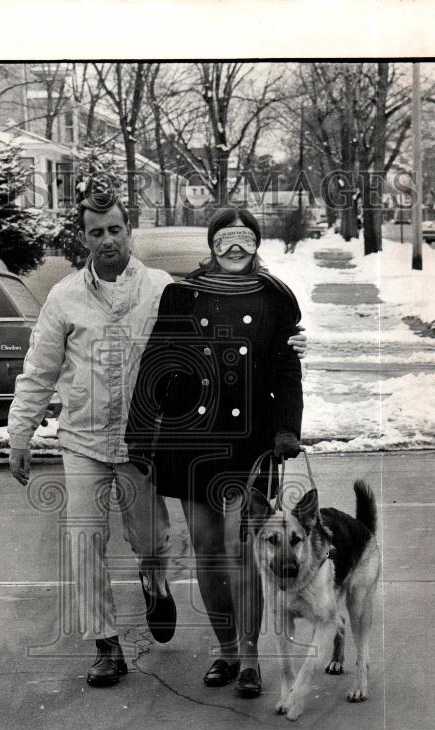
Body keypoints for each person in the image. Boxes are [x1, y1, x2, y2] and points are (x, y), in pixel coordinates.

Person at [125, 207, 304, 699]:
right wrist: (142, 431)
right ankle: (225, 651)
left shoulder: (274, 299)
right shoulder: (182, 295)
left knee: (241, 548)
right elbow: (157, 364)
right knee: (206, 546)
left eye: (244, 239)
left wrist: (287, 427)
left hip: (252, 441)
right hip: (191, 437)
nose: (234, 249)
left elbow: (288, 368)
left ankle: (249, 657)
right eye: (225, 240)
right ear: (212, 245)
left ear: (256, 244)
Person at [8, 188, 178, 688]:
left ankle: (154, 582)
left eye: (115, 230)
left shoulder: (162, 289)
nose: (106, 240)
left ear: (130, 231)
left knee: (151, 539)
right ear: (83, 239)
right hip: (83, 439)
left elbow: (195, 356)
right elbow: (38, 369)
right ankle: (106, 645)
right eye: (96, 232)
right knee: (84, 540)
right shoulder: (64, 297)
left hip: (142, 442)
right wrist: (20, 432)